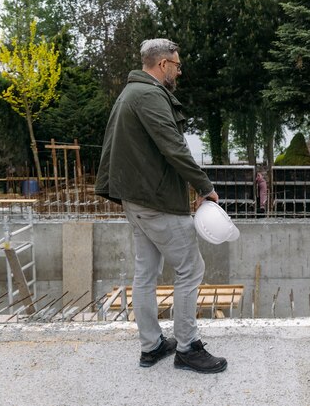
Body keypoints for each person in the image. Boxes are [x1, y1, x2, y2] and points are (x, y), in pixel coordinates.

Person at [95, 38, 227, 374]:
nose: (179, 71)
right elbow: (173, 148)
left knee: (146, 273)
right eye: (177, 65)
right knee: (190, 269)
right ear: (163, 64)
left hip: (136, 200)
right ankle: (187, 348)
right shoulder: (149, 95)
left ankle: (152, 346)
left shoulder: (131, 93)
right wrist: (205, 186)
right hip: (155, 201)